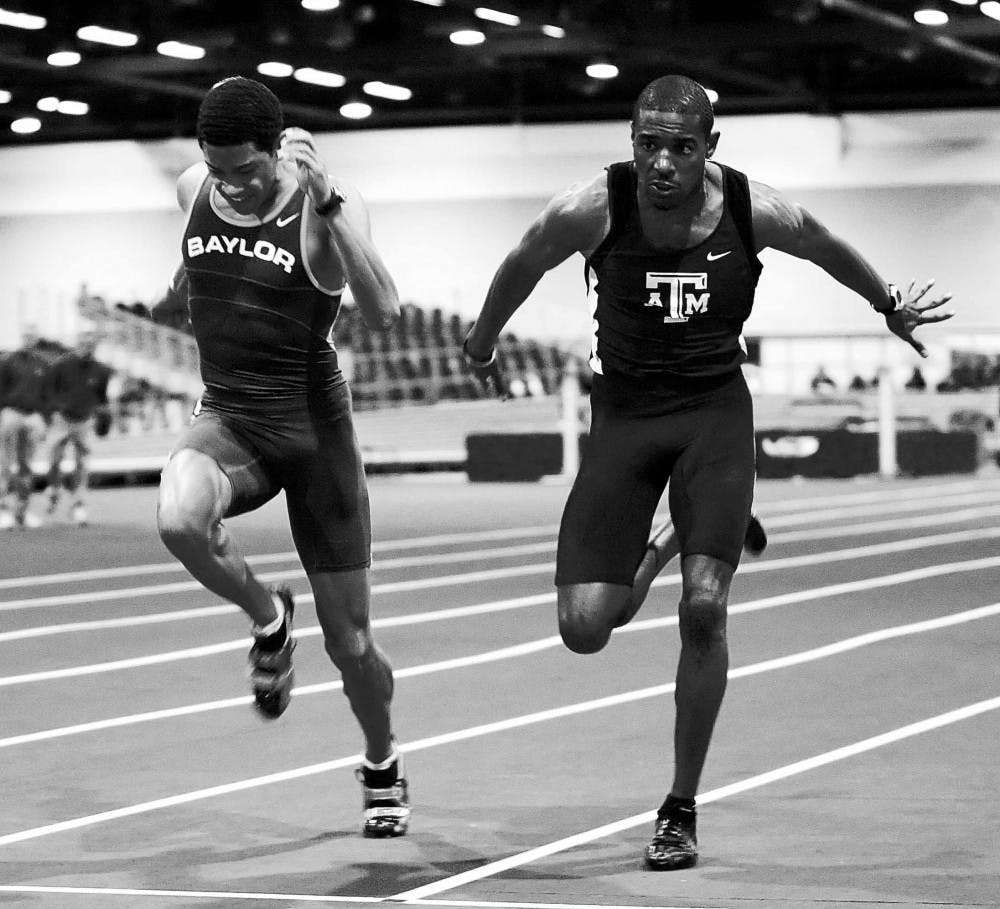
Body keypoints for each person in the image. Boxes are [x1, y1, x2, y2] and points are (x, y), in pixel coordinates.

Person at [462, 74, 954, 871]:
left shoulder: (756, 210)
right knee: (587, 627)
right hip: (624, 420)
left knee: (703, 610)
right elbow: (525, 259)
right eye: (647, 145)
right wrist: (482, 341)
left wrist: (887, 303)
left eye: (680, 148)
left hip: (713, 418)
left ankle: (679, 807)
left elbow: (826, 243)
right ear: (631, 143)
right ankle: (668, 535)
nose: (662, 163)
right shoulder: (593, 207)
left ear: (710, 149)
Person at [153, 76, 409, 838]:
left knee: (351, 645)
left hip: (312, 433)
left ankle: (381, 758)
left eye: (247, 170)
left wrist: (328, 204)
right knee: (176, 519)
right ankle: (268, 618)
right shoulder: (194, 185)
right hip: (231, 414)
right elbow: (194, 265)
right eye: (218, 168)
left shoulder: (327, 203)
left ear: (280, 149)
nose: (231, 183)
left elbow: (386, 308)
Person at [43, 330, 113, 526]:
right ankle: (54, 487)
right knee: (55, 459)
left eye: (91, 344)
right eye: (84, 343)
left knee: (82, 464)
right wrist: (53, 411)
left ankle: (78, 504)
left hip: (84, 420)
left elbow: (102, 397)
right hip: (61, 419)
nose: (87, 347)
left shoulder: (101, 370)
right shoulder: (61, 365)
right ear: (77, 344)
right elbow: (48, 390)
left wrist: (104, 417)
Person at [0, 329, 51, 530]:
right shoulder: (8, 361)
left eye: (33, 337)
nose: (30, 340)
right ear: (21, 338)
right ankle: (3, 507)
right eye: (27, 336)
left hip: (32, 415)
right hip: (11, 412)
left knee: (26, 464)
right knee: (5, 462)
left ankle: (22, 509)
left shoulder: (41, 364)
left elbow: (46, 393)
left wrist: (44, 418)